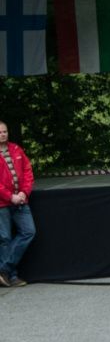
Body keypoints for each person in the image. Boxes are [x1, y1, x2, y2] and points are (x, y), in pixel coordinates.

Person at [0, 120, 35, 287]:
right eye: (0, 132)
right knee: (5, 239)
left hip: (21, 200)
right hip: (2, 203)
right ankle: (11, 277)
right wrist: (9, 196)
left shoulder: (16, 149)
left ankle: (3, 269)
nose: (3, 134)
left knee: (29, 232)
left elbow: (28, 172)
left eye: (5, 131)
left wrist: (24, 192)